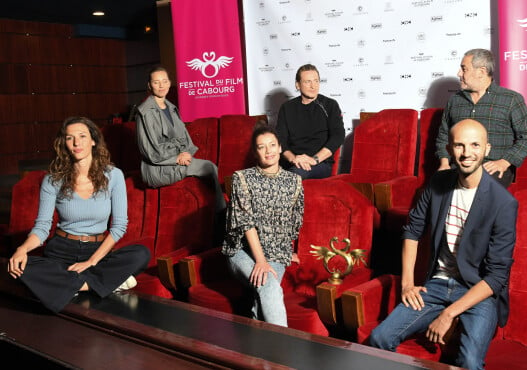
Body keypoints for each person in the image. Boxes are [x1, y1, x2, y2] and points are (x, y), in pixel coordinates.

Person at [369, 119, 518, 370]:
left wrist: (448, 314)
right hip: (436, 285)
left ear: (487, 149)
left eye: (474, 145)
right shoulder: (438, 183)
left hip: (477, 290)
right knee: (378, 339)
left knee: (470, 362)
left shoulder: (503, 203)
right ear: (449, 150)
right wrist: (407, 285)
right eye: (459, 145)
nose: (467, 153)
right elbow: (412, 231)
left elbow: (496, 277)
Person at [6, 117, 151, 313]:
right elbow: (42, 227)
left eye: (82, 136)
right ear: (63, 144)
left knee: (141, 254)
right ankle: (101, 283)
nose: (76, 143)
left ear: (93, 140)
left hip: (97, 250)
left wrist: (92, 261)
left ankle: (74, 285)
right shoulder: (53, 179)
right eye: (69, 138)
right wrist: (22, 249)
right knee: (20, 268)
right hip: (61, 249)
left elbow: (119, 227)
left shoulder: (113, 175)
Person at [222, 124, 304, 326]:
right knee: (269, 286)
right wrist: (260, 260)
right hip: (241, 250)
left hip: (276, 251)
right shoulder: (242, 178)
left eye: (272, 145)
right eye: (261, 147)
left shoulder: (294, 181)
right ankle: (285, 348)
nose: (268, 151)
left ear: (280, 148)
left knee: (261, 297)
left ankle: (259, 351)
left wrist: (285, 251)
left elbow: (293, 220)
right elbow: (245, 223)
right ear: (255, 151)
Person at [435, 48, 527, 188]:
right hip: (458, 168)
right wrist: (444, 164)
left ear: (481, 72)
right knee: (435, 194)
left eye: (464, 69)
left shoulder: (511, 99)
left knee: (477, 194)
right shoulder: (454, 101)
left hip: (492, 168)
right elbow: (443, 136)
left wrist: (504, 162)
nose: (459, 74)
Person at [135, 66, 226, 212]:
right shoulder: (144, 112)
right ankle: (222, 215)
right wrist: (177, 158)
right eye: (156, 82)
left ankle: (216, 214)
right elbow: (150, 152)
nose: (161, 85)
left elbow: (185, 139)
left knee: (210, 169)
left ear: (169, 83)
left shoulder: (171, 108)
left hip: (177, 159)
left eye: (164, 81)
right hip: (157, 168)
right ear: (149, 85)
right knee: (209, 167)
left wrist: (187, 153)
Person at [276, 64, 345, 179]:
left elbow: (338, 136)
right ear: (297, 85)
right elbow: (280, 140)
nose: (313, 86)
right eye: (308, 82)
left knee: (292, 177)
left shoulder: (330, 105)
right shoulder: (287, 108)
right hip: (291, 162)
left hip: (320, 164)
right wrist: (294, 159)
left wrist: (314, 159)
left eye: (316, 81)